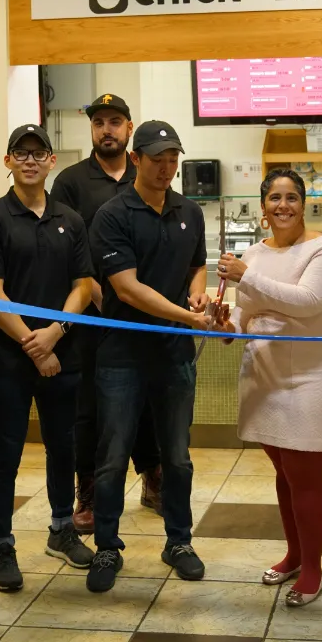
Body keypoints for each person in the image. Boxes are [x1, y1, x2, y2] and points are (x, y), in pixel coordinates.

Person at [85, 119, 215, 593]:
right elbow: (128, 288)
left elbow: (198, 263)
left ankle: (178, 541)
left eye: (173, 159)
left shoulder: (189, 211)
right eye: (157, 159)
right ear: (136, 159)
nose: (167, 168)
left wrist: (198, 295)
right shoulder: (113, 215)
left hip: (174, 355)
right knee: (113, 456)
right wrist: (186, 314)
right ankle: (106, 545)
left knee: (177, 458)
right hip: (122, 357)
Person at [0, 124, 97, 593]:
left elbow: (83, 283)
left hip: (63, 352)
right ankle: (2, 544)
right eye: (19, 153)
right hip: (11, 359)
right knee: (6, 452)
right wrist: (33, 343)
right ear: (8, 162)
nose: (29, 160)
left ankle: (62, 529)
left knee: (64, 445)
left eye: (37, 153)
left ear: (51, 162)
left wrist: (56, 333)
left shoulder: (71, 219)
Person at [217, 168, 322, 607]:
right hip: (266, 374)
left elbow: (310, 302)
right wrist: (225, 322)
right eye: (275, 197)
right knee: (283, 469)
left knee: (305, 474)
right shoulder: (253, 254)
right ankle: (294, 554)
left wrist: (246, 277)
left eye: (292, 197)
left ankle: (312, 568)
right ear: (263, 207)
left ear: (304, 203)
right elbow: (246, 314)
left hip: (312, 374)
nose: (283, 205)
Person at [51, 93, 163, 534]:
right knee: (91, 409)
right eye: (99, 122)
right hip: (93, 319)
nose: (107, 130)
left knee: (149, 401)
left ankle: (154, 480)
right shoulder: (71, 182)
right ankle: (90, 493)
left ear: (129, 128)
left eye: (115, 121)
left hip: (144, 315)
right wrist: (100, 295)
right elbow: (65, 250)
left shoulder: (149, 172)